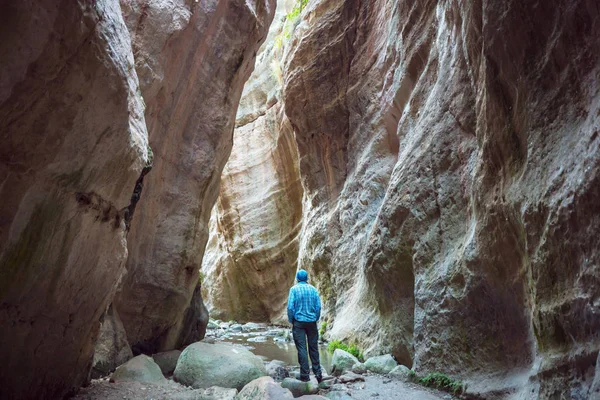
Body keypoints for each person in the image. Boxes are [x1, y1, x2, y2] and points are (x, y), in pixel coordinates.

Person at [287, 269, 322, 383]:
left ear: (297, 278)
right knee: (313, 348)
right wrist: (315, 318)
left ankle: (305, 375)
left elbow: (290, 308)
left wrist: (292, 320)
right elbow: (318, 307)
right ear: (307, 278)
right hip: (312, 322)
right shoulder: (313, 289)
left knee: (302, 349)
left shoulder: (294, 289)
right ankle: (318, 374)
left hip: (299, 322)